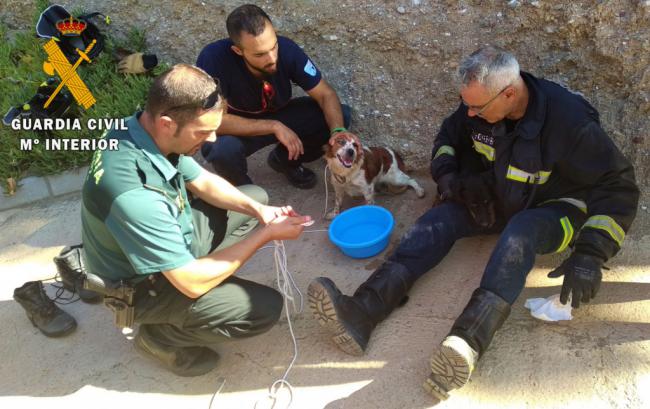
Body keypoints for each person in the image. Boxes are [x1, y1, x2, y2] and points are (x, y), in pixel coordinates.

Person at [307, 46, 639, 400]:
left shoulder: (569, 121)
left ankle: (466, 343)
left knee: (519, 235)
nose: (469, 112)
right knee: (437, 221)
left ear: (509, 93)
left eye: (477, 107)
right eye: (466, 104)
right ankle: (363, 310)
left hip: (557, 207)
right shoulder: (479, 105)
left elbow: (618, 184)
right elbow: (447, 140)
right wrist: (450, 177)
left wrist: (591, 254)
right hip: (498, 196)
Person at [81, 64, 312, 377]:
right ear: (166, 123)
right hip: (140, 286)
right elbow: (189, 284)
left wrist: (260, 215)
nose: (212, 139)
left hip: (170, 232)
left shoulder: (139, 129)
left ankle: (203, 268)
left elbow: (201, 180)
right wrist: (265, 235)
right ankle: (159, 337)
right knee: (263, 309)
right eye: (203, 132)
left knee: (255, 198)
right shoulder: (134, 195)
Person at [196, 4, 356, 189]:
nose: (272, 58)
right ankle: (245, 192)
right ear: (238, 51)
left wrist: (338, 131)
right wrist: (273, 126)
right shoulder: (213, 58)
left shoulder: (287, 49)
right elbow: (213, 120)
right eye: (260, 54)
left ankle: (285, 161)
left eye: (273, 47)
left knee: (340, 115)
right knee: (219, 148)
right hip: (238, 126)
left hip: (279, 112)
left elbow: (325, 94)